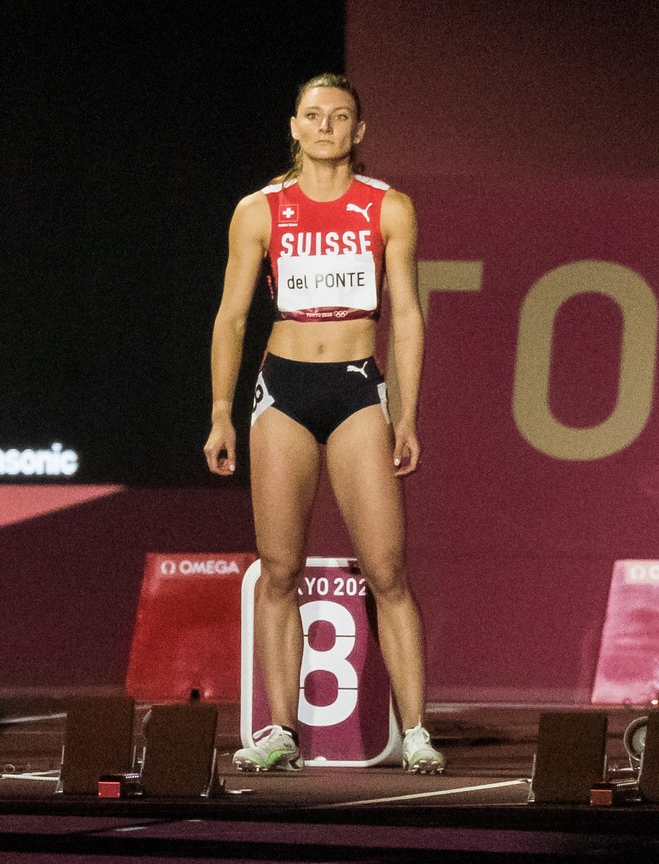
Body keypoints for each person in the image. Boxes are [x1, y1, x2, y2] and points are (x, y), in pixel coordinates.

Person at [205, 73, 443, 773]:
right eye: (313, 115)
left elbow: (409, 316)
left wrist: (407, 411)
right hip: (281, 390)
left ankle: (419, 730)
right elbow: (232, 318)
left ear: (359, 132)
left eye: (340, 117)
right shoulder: (259, 209)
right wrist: (221, 412)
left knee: (388, 569)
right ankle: (280, 729)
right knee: (278, 571)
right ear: (294, 125)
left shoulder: (388, 207)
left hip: (356, 392)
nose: (326, 126)